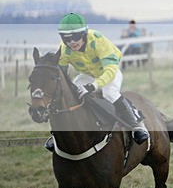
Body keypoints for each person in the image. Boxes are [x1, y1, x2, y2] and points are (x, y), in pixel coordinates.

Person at [47, 13, 150, 148]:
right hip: (87, 75)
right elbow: (60, 72)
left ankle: (137, 125)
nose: (72, 42)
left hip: (109, 72)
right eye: (67, 38)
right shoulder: (65, 49)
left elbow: (110, 70)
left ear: (84, 34)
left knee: (109, 93)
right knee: (73, 92)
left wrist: (93, 86)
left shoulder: (98, 41)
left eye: (76, 37)